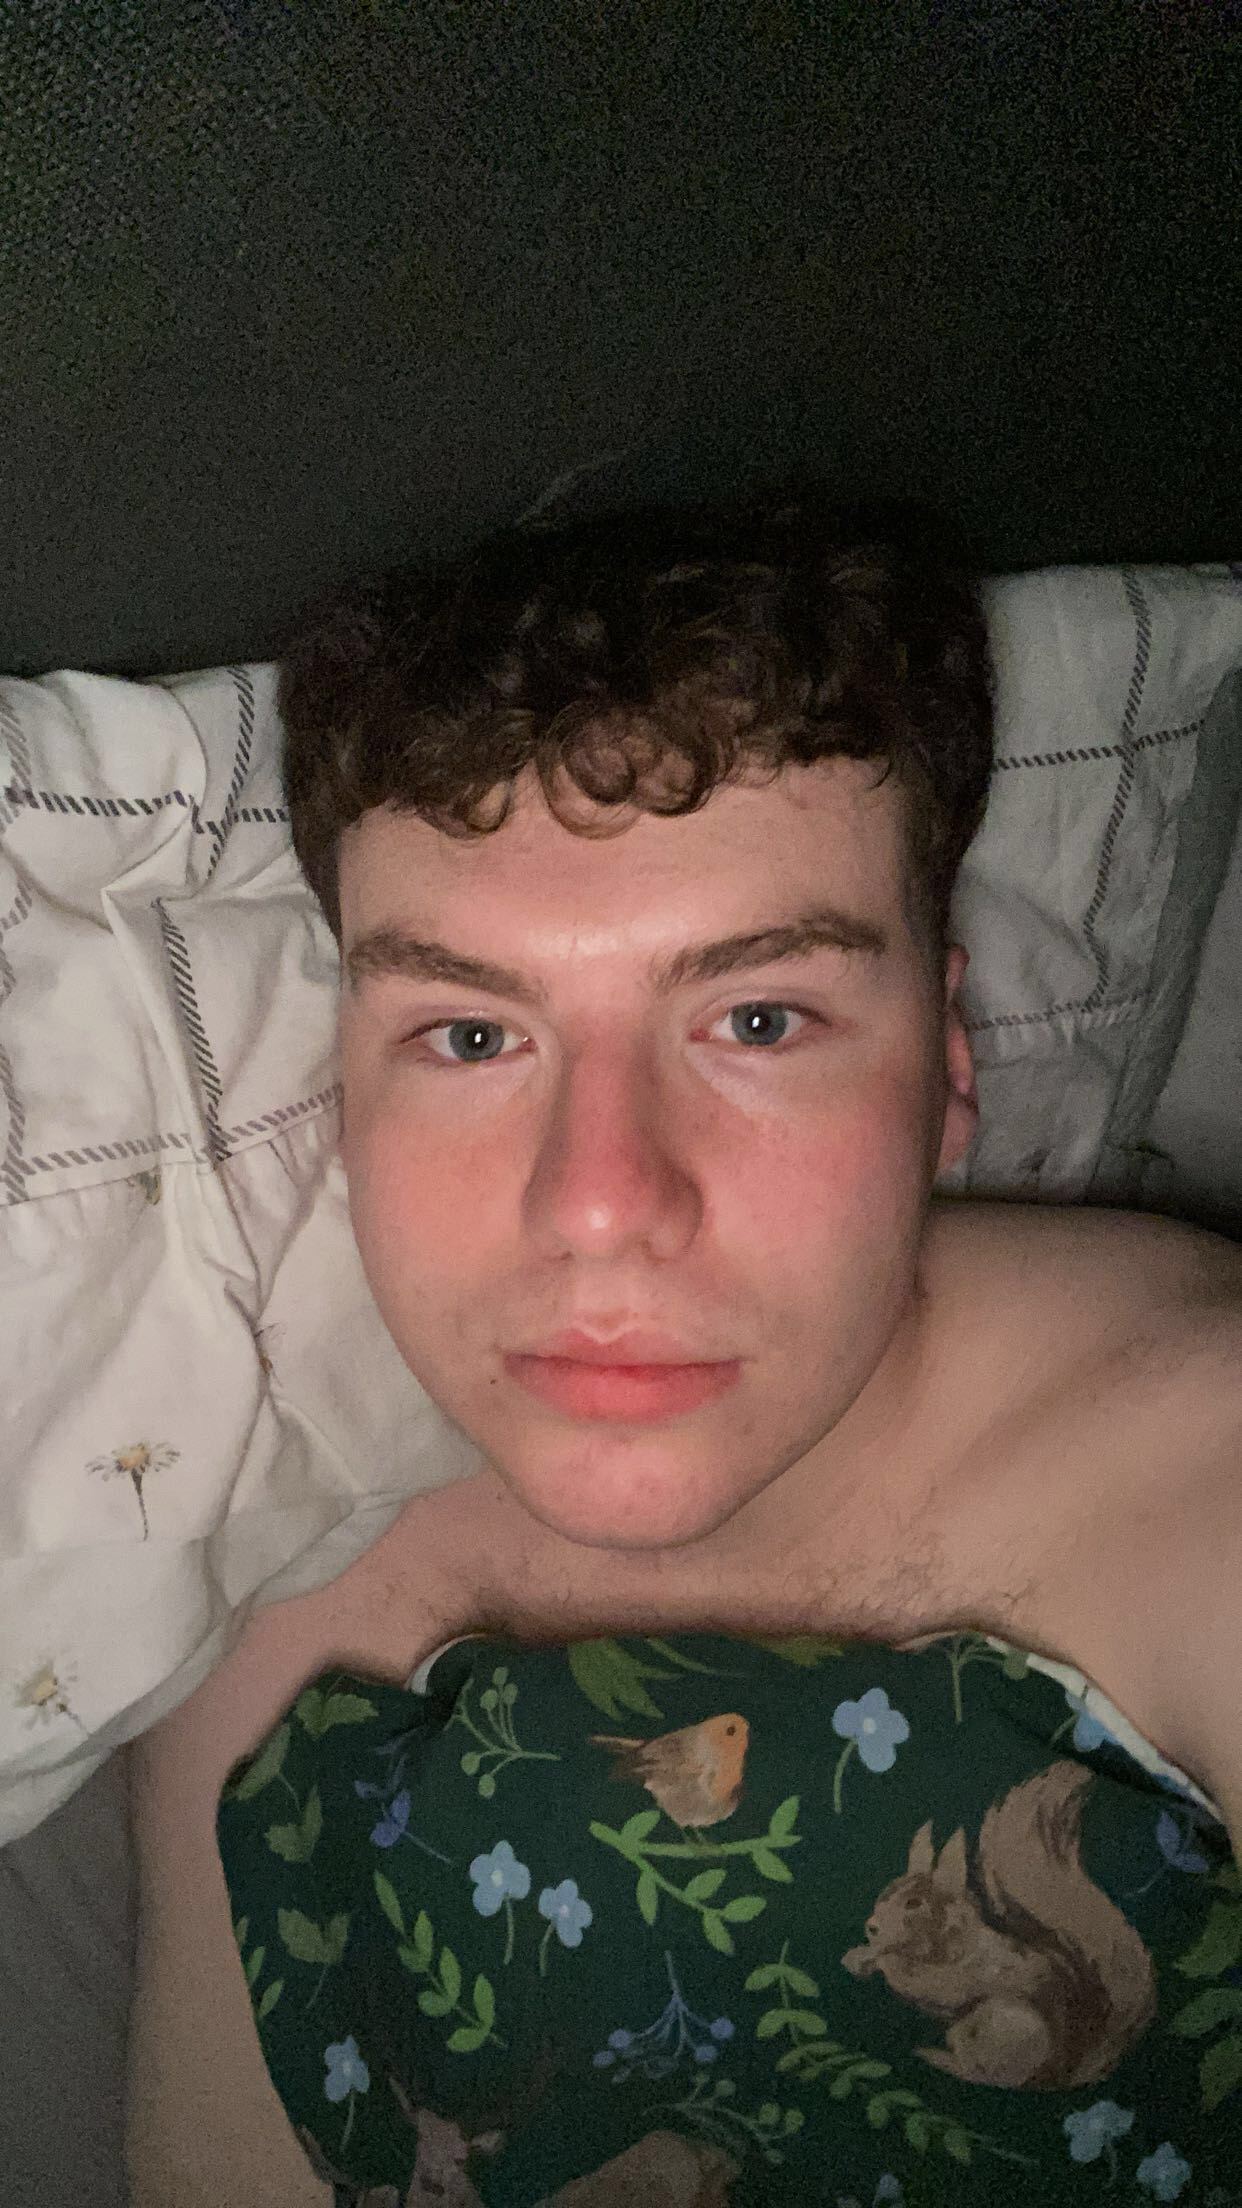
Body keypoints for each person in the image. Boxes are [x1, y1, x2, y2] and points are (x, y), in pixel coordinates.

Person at [125, 492, 1242, 2206]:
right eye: (470, 1034)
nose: (598, 1205)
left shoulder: (1201, 1467)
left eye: (758, 1019)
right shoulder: (242, 1564)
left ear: (946, 1071)